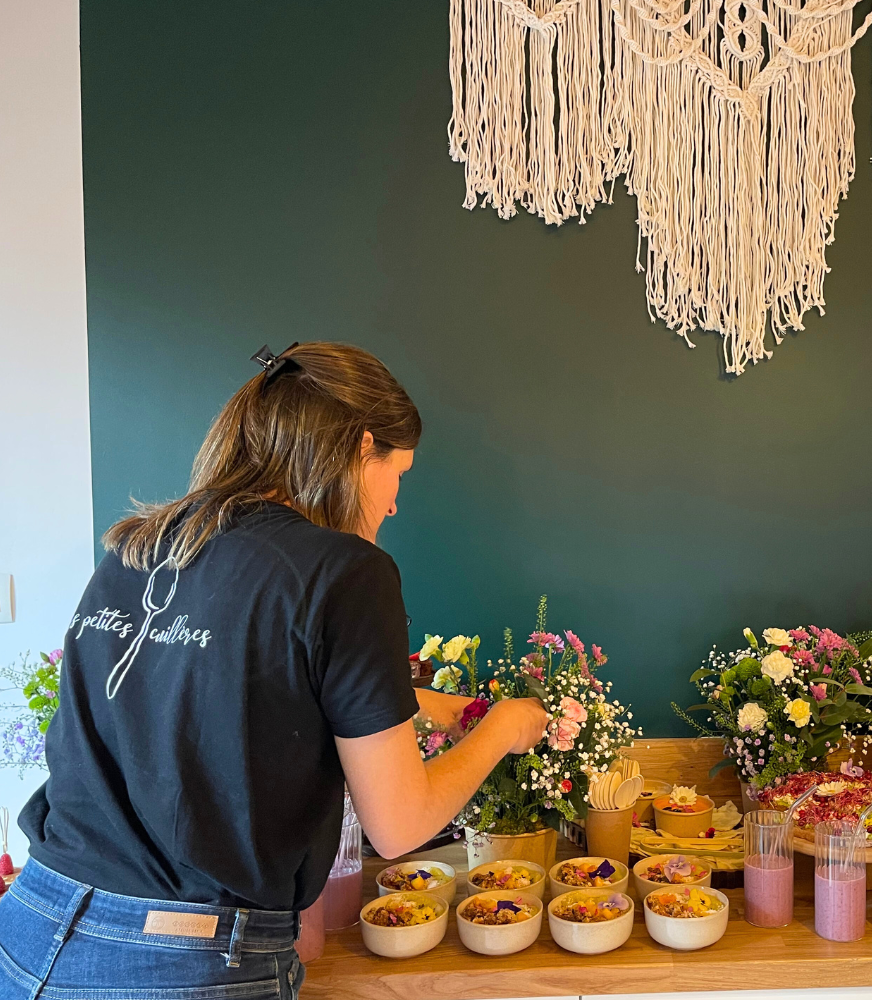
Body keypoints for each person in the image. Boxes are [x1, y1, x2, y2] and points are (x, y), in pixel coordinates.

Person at [0, 342, 548, 999]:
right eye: (398, 473)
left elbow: (238, 685)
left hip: (32, 929)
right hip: (181, 964)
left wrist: (441, 709)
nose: (395, 503)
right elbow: (399, 824)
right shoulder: (346, 569)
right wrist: (505, 726)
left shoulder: (140, 545)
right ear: (360, 448)